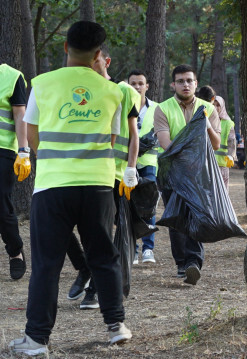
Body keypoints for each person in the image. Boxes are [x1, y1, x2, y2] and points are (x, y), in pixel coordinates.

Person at [9, 21, 132, 356]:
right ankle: (115, 326)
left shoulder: (43, 83)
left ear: (65, 47)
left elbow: (31, 133)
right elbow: (112, 137)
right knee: (104, 257)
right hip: (98, 187)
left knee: (47, 264)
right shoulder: (114, 92)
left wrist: (50, 158)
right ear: (98, 55)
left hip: (53, 185)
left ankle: (36, 340)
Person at [65, 46, 140, 310]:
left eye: (94, 61)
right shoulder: (81, 93)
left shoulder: (123, 91)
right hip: (81, 172)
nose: (89, 66)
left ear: (105, 61)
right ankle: (84, 268)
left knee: (102, 234)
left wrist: (131, 169)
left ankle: (94, 290)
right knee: (64, 229)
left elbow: (133, 135)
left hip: (114, 174)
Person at [154, 64, 221, 286]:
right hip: (172, 172)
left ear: (195, 83)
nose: (185, 84)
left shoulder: (208, 108)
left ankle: (193, 262)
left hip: (200, 173)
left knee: (195, 214)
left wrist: (205, 124)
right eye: (181, 81)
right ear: (173, 84)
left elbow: (216, 143)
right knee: (176, 218)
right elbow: (166, 144)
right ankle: (181, 262)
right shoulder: (163, 109)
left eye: (189, 80)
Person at [0, 63, 28, 280]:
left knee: (2, 205)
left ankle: (15, 251)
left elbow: (20, 115)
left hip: (3, 150)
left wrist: (23, 150)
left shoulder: (12, 76)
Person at [128, 69, 158, 264]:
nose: (137, 87)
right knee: (129, 206)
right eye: (133, 83)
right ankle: (133, 248)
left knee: (149, 206)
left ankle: (148, 248)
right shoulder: (121, 106)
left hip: (149, 164)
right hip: (127, 162)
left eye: (141, 83)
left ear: (147, 86)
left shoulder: (157, 108)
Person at [196, 86, 236, 189]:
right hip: (205, 164)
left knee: (222, 192)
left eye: (219, 105)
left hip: (221, 164)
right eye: (214, 105)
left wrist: (231, 155)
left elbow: (231, 141)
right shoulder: (202, 118)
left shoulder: (227, 123)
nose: (216, 108)